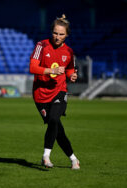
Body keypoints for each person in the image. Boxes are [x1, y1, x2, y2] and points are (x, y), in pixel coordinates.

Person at [29, 14, 80, 170]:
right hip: (40, 95)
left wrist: (72, 76)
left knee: (53, 119)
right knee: (57, 127)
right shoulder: (41, 46)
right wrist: (51, 70)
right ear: (51, 32)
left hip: (59, 91)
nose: (57, 37)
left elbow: (70, 70)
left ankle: (46, 156)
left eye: (61, 34)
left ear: (67, 35)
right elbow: (32, 67)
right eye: (55, 33)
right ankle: (74, 159)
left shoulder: (69, 52)